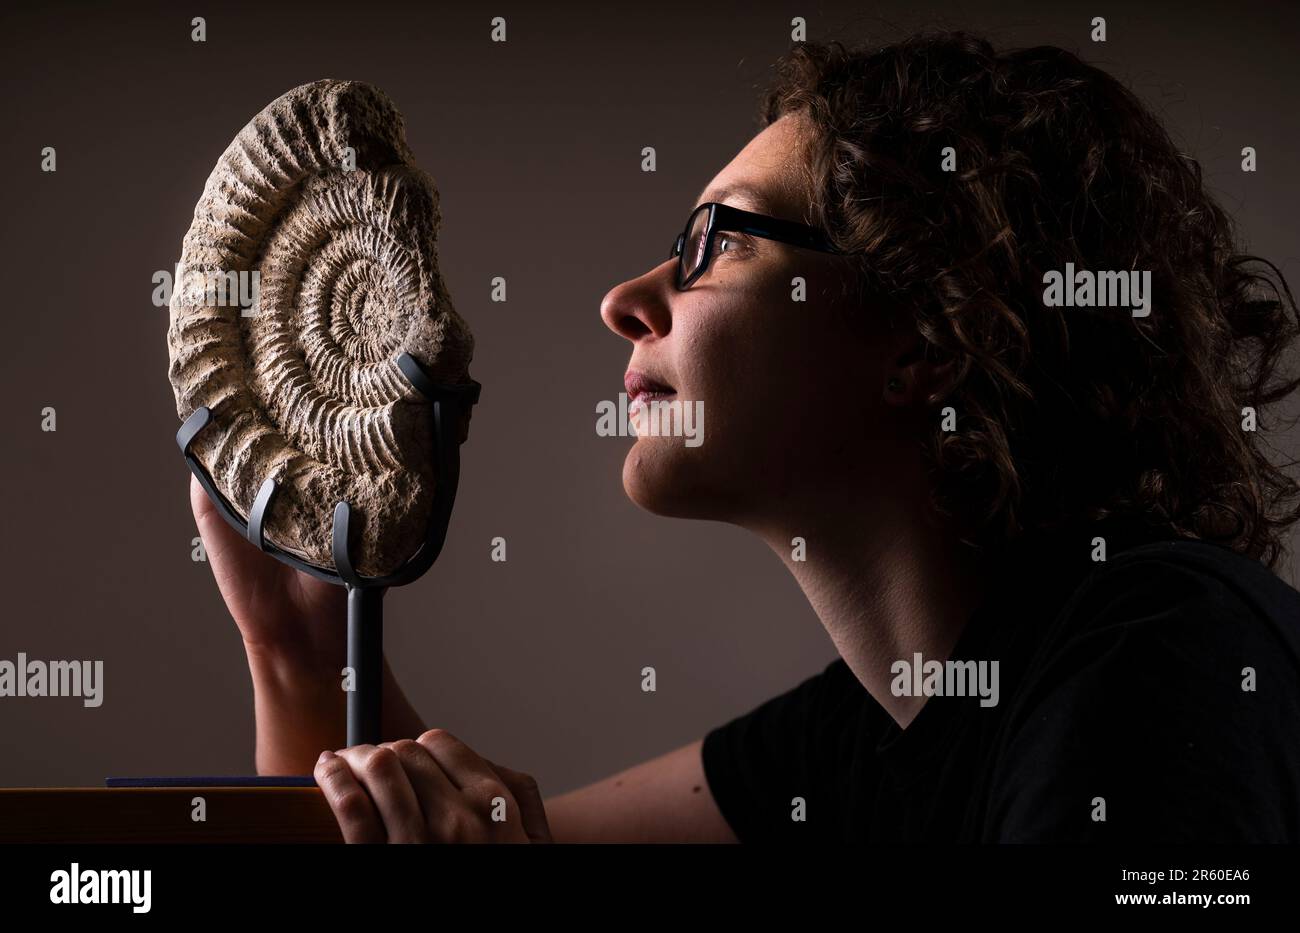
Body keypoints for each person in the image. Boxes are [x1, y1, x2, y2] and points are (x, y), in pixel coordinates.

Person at [191, 31, 1300, 843]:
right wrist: (305, 642)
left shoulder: (1164, 664)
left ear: (929, 335)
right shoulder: (866, 735)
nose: (625, 298)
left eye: (715, 240)